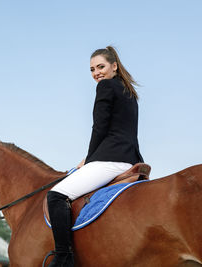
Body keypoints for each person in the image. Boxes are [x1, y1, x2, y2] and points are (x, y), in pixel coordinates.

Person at [46, 46, 144, 267]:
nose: (96, 73)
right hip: (131, 159)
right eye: (92, 69)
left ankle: (64, 257)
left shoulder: (106, 87)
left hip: (110, 159)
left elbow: (99, 128)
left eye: (101, 67)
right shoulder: (130, 93)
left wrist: (88, 160)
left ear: (114, 67)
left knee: (56, 195)